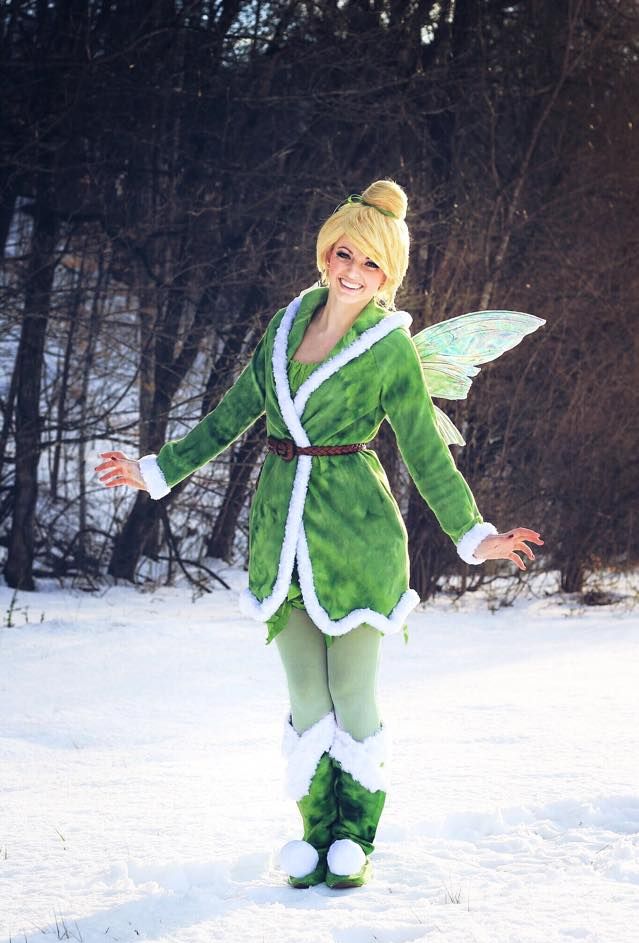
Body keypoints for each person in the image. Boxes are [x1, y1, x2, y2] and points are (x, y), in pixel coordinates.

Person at [96, 180, 543, 890]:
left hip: (357, 534)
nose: (352, 272)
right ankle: (314, 835)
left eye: (371, 264)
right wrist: (154, 468)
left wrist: (471, 532)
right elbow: (230, 416)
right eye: (344, 254)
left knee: (352, 693)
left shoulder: (389, 347)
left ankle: (354, 839)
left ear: (387, 276)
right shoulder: (281, 330)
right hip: (281, 535)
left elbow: (424, 449)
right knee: (306, 697)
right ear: (325, 252)